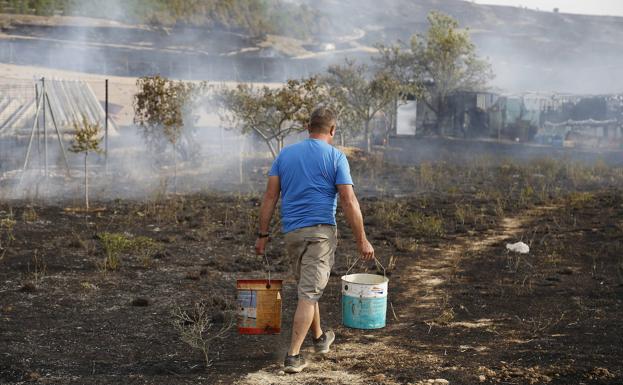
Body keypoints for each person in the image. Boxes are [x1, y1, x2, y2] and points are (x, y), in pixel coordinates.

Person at [254, 106, 375, 374]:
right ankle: (293, 356)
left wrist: (262, 236)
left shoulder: (285, 155)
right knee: (309, 294)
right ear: (332, 130)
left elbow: (270, 198)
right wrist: (362, 240)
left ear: (308, 128)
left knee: (308, 288)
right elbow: (348, 200)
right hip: (320, 233)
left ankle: (320, 338)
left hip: (292, 234)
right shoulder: (335, 157)